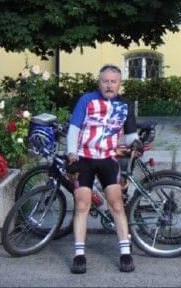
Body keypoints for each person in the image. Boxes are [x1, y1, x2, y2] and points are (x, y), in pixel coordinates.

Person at [66, 64, 138, 274]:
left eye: (113, 81)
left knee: (116, 204)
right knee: (82, 205)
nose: (109, 85)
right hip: (84, 158)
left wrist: (137, 142)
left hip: (108, 158)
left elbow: (131, 134)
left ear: (119, 84)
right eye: (105, 81)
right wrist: (72, 155)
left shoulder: (125, 104)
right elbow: (74, 129)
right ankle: (79, 255)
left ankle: (125, 253)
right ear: (99, 82)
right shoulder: (87, 100)